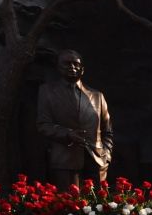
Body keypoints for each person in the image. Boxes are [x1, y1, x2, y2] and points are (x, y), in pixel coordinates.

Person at [35, 49, 114, 187]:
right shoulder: (47, 91)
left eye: (76, 64)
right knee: (70, 205)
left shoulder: (97, 96)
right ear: (58, 67)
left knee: (97, 206)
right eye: (66, 63)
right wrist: (68, 134)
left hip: (97, 162)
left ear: (82, 69)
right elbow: (43, 124)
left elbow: (107, 131)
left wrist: (106, 155)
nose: (72, 67)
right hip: (65, 162)